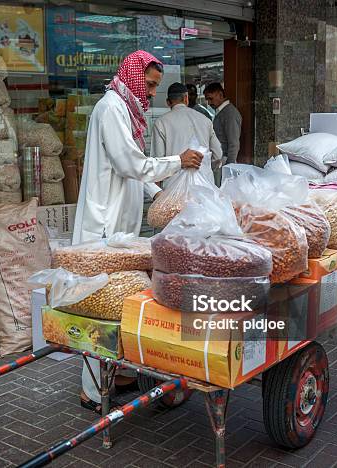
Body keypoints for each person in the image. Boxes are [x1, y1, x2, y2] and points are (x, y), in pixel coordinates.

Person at [72, 51, 203, 413]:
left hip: (121, 225)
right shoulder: (111, 108)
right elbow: (130, 163)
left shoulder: (128, 110)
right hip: (104, 224)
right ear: (132, 74)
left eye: (156, 87)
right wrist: (178, 162)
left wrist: (163, 195)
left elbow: (134, 165)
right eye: (148, 84)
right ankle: (91, 390)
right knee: (98, 305)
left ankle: (121, 375)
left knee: (117, 303)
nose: (150, 92)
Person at [152, 82, 223, 184]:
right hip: (204, 186)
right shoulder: (205, 120)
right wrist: (205, 167)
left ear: (168, 102)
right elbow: (218, 154)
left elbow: (158, 163)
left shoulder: (161, 122)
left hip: (175, 187)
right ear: (186, 98)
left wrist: (157, 194)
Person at [204, 82, 242, 164]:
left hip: (225, 160)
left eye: (211, 99)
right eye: (207, 100)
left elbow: (234, 143)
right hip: (220, 159)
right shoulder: (222, 112)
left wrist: (229, 165)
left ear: (220, 95)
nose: (209, 103)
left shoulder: (229, 113)